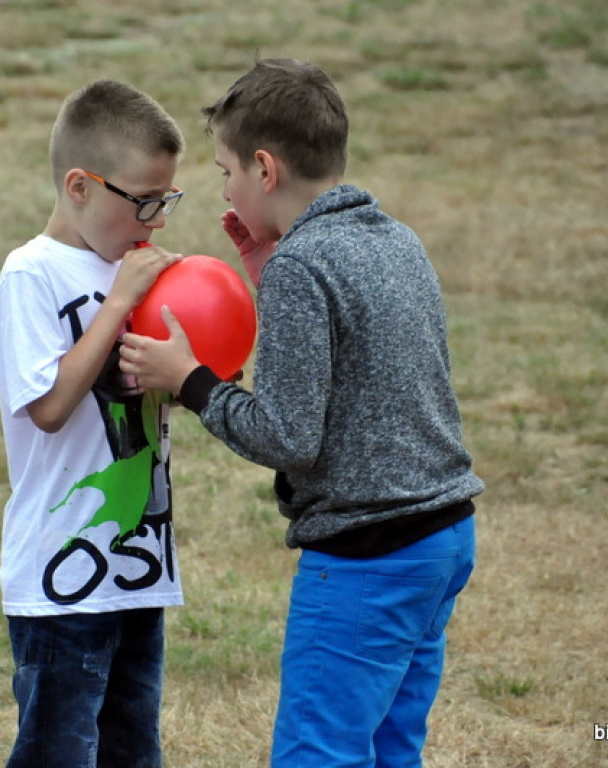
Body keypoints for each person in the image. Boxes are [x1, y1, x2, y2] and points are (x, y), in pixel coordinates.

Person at [119, 58, 484, 768]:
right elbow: (358, 365)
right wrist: (264, 270)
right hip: (441, 542)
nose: (222, 187)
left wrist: (188, 380)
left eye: (225, 171)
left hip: (366, 556)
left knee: (319, 754)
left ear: (264, 169)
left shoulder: (303, 268)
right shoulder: (395, 240)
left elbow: (287, 435)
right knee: (389, 746)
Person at [0, 79, 187, 768]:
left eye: (166, 201)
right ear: (80, 185)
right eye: (143, 201)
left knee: (133, 751)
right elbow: (47, 408)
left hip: (136, 563)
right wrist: (117, 306)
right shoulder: (31, 274)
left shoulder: (133, 273)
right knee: (58, 751)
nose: (156, 221)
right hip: (60, 578)